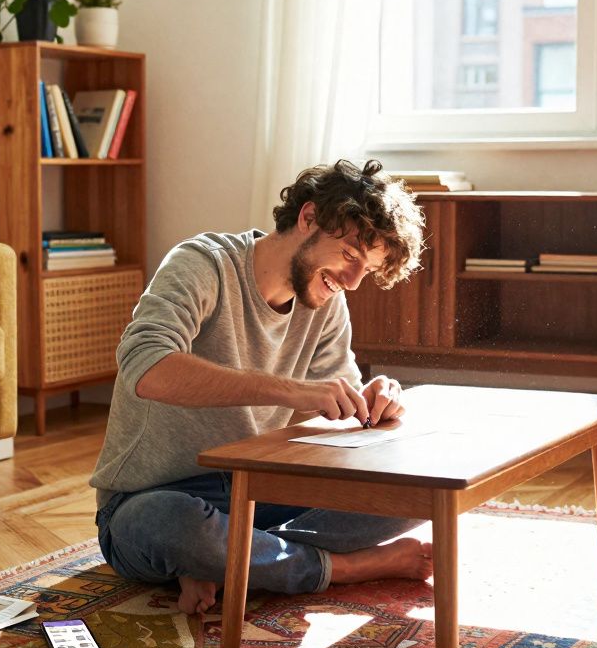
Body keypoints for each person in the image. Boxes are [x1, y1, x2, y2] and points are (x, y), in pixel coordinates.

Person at [90, 158, 430, 614]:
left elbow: (342, 408)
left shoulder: (326, 302)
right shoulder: (204, 264)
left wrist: (373, 399)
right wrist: (290, 390)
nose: (351, 282)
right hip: (153, 499)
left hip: (260, 493)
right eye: (350, 256)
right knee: (171, 527)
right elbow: (145, 366)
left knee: (420, 493)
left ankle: (227, 560)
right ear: (308, 217)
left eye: (366, 270)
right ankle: (343, 567)